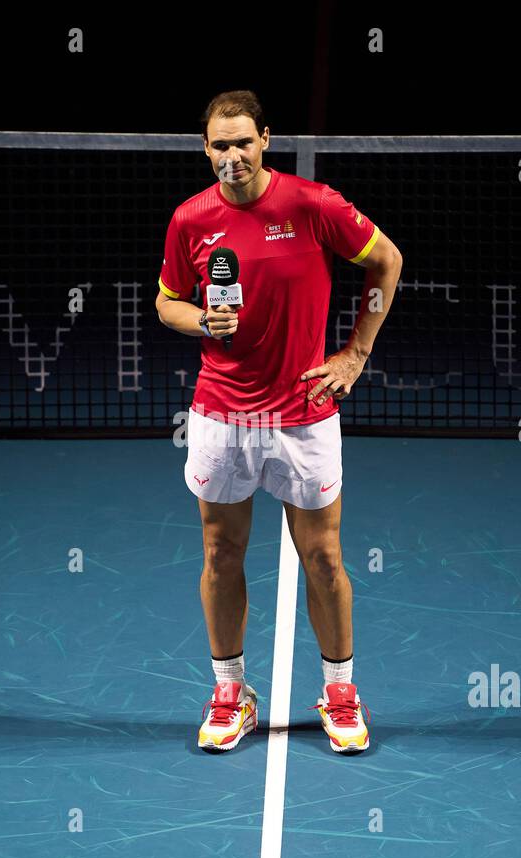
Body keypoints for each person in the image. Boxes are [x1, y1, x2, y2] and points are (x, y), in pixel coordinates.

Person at [154, 90, 403, 754]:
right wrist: (202, 320)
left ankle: (342, 692)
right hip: (221, 414)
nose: (231, 155)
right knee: (219, 553)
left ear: (266, 139)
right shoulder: (189, 222)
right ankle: (231, 690)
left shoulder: (312, 205)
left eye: (242, 141)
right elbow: (166, 302)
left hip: (303, 414)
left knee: (323, 557)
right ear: (205, 149)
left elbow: (387, 261)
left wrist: (355, 353)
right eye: (218, 144)